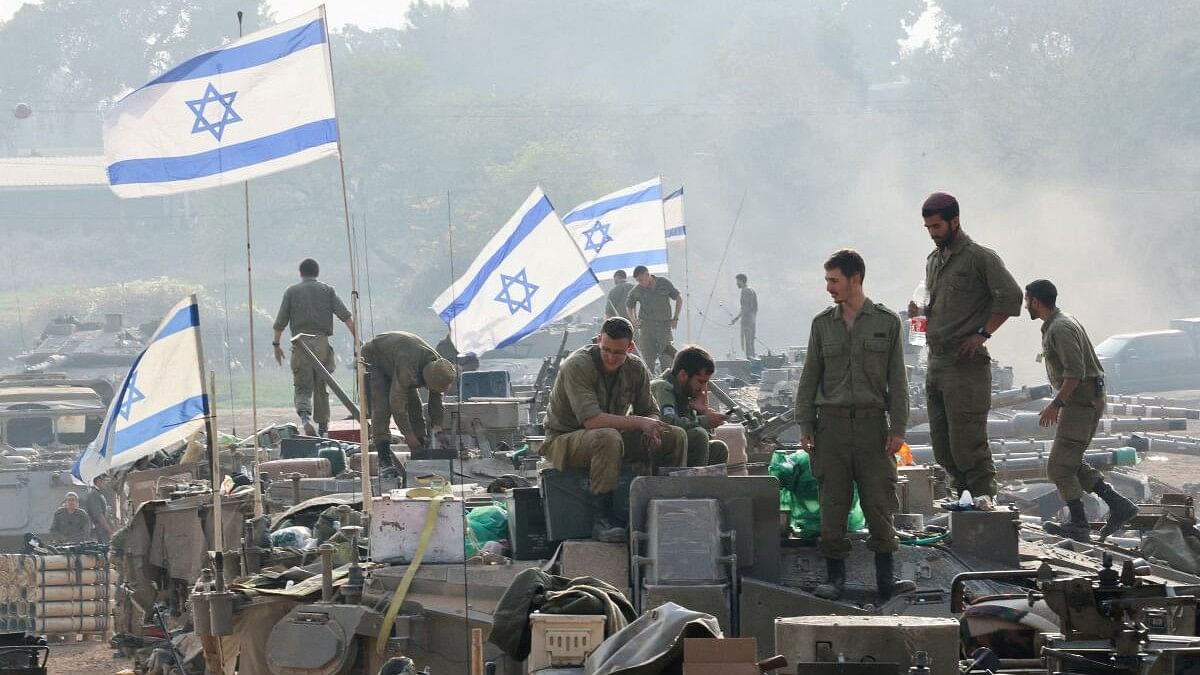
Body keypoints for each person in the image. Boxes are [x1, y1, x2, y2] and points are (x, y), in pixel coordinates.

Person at [795, 249, 915, 601]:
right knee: (833, 504)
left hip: (872, 427)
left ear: (855, 279)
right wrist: (806, 423)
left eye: (834, 280)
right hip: (830, 427)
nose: (829, 287)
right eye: (827, 280)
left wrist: (899, 428)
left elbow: (898, 380)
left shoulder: (887, 322)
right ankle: (835, 579)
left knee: (879, 502)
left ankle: (885, 580)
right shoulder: (822, 324)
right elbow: (810, 377)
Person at [907, 193, 1021, 510]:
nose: (932, 232)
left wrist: (982, 334)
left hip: (965, 363)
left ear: (955, 221)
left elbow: (1011, 297)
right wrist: (920, 312)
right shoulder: (933, 261)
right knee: (943, 444)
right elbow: (934, 306)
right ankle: (963, 494)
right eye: (928, 227)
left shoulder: (979, 258)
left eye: (937, 226)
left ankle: (983, 496)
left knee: (967, 439)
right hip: (937, 361)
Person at [541, 317, 686, 542]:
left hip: (609, 439)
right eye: (605, 349)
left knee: (674, 436)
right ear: (599, 340)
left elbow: (650, 410)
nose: (610, 357)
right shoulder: (577, 365)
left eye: (617, 353)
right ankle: (602, 519)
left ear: (629, 348)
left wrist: (652, 427)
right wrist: (640, 423)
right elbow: (592, 421)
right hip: (564, 441)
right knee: (607, 437)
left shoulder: (635, 367)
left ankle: (667, 507)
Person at [1025, 280, 1138, 541]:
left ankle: (1079, 524)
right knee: (1071, 462)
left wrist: (1056, 404)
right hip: (1083, 400)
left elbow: (1074, 373)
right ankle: (1119, 505)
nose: (1025, 305)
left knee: (1058, 468)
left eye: (1027, 300)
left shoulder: (1060, 328)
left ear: (1036, 301)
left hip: (1081, 402)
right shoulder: (1060, 322)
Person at [272, 258, 356, 437]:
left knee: (302, 386)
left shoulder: (292, 292)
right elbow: (346, 317)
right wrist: (358, 340)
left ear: (300, 273)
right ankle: (324, 427)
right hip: (322, 343)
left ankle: (305, 418)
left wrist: (276, 345)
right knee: (321, 387)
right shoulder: (327, 290)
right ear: (317, 272)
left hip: (300, 342)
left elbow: (280, 322)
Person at [362, 332, 458, 475]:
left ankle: (419, 449)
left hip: (400, 359)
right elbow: (397, 406)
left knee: (415, 406)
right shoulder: (408, 370)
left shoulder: (439, 366)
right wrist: (408, 435)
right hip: (376, 357)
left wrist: (437, 428)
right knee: (382, 408)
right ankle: (384, 461)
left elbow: (436, 399)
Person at [650, 346, 730, 467]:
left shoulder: (685, 393)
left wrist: (701, 411)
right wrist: (704, 420)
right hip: (655, 447)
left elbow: (706, 437)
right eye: (701, 381)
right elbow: (667, 422)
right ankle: (694, 484)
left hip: (676, 448)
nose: (703, 388)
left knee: (718, 449)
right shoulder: (663, 387)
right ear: (683, 375)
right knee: (698, 436)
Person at [625, 265, 683, 373]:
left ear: (648, 274)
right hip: (647, 328)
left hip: (664, 327)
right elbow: (629, 305)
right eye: (638, 281)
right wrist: (633, 320)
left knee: (667, 357)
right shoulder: (638, 290)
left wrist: (675, 318)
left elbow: (678, 298)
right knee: (647, 359)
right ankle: (648, 385)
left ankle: (667, 384)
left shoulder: (664, 283)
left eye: (642, 279)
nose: (641, 283)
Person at [729, 273, 759, 358]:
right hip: (752, 321)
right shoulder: (752, 290)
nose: (736, 283)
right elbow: (755, 308)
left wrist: (736, 318)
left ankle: (750, 363)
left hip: (746, 321)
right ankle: (752, 360)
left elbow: (745, 308)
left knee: (746, 344)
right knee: (751, 343)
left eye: (737, 281)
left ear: (741, 281)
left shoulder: (745, 291)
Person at [82, 475, 114, 544]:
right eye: (105, 480)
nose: (107, 483)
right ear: (99, 481)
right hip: (100, 530)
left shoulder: (98, 493)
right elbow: (98, 515)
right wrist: (109, 530)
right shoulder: (94, 494)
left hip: (102, 529)